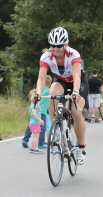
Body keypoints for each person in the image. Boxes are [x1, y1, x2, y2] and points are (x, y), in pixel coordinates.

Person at [33, 27, 86, 165]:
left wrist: (75, 92)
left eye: (58, 46)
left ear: (65, 45)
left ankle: (81, 148)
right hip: (61, 80)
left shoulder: (73, 55)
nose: (55, 49)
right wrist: (38, 91)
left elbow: (77, 75)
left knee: (76, 113)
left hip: (77, 82)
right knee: (52, 93)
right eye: (53, 46)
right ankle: (56, 128)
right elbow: (41, 78)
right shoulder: (46, 57)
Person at [22, 75, 52, 148]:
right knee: (42, 127)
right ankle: (40, 143)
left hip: (33, 110)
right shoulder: (49, 90)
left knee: (30, 125)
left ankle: (25, 139)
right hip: (42, 111)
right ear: (49, 83)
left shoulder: (37, 90)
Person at [27, 89, 45, 153]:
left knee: (34, 136)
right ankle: (35, 148)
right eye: (34, 97)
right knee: (36, 136)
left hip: (33, 123)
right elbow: (34, 114)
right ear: (30, 98)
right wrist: (40, 120)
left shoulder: (35, 104)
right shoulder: (34, 105)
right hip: (35, 123)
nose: (36, 98)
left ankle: (32, 148)